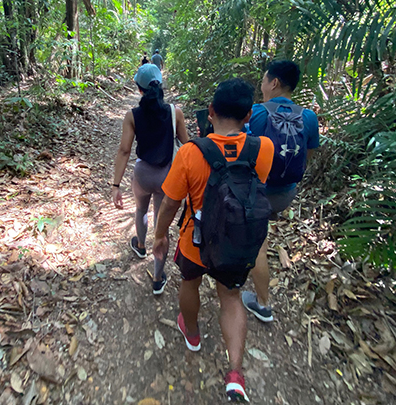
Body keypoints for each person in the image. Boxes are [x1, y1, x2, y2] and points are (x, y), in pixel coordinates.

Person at [153, 78, 274, 402]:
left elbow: (170, 203)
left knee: (189, 285)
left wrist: (161, 234)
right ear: (248, 115)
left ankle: (192, 334)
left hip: (195, 241)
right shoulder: (264, 148)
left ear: (210, 111)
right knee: (231, 298)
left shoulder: (191, 153)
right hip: (236, 241)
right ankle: (235, 374)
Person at [241, 60, 320, 322]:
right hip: (286, 193)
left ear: (273, 83)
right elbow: (307, 156)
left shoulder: (256, 113)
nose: (261, 85)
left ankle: (263, 304)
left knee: (258, 245)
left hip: (258, 190)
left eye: (263, 80)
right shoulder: (309, 117)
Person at [111, 63, 189, 295]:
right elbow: (186, 145)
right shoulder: (175, 113)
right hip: (168, 176)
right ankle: (157, 277)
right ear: (161, 85)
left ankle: (141, 246)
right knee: (162, 227)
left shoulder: (132, 116)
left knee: (141, 210)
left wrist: (115, 186)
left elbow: (124, 151)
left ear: (139, 89)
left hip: (143, 174)